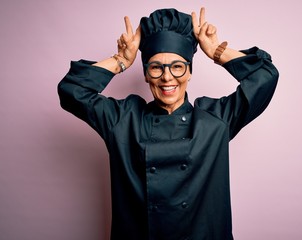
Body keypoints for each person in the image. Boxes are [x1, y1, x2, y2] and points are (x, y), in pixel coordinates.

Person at [58, 7, 279, 240]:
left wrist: (217, 51)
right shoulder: (123, 120)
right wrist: (120, 60)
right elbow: (71, 90)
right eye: (155, 67)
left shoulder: (215, 120)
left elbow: (265, 77)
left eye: (177, 66)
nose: (167, 77)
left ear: (189, 71)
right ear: (145, 73)